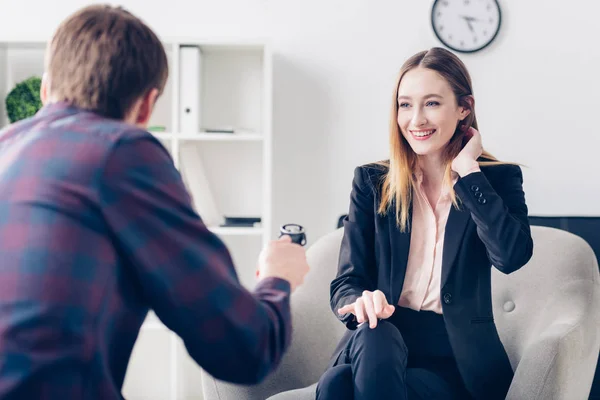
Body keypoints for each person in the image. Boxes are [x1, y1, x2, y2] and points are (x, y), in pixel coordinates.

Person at [0, 5, 309, 399]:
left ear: (45, 89)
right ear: (147, 106)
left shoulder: (6, 148)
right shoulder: (122, 152)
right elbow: (245, 350)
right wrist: (277, 277)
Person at [316, 47, 533, 400]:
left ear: (464, 108)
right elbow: (346, 280)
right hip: (378, 339)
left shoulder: (498, 180)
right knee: (375, 335)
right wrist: (361, 300)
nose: (416, 119)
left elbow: (511, 257)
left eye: (431, 103)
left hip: (452, 359)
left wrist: (468, 172)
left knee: (336, 386)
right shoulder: (373, 182)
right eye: (405, 105)